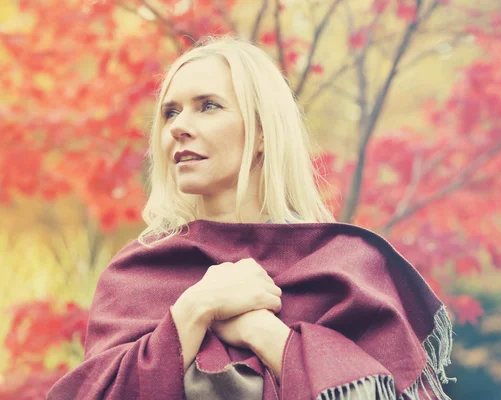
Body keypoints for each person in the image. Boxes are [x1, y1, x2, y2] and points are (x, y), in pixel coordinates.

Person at [48, 35, 454, 400]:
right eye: (170, 113)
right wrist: (193, 310)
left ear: (262, 133)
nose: (179, 127)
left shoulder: (346, 266)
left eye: (208, 106)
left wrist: (264, 334)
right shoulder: (137, 274)